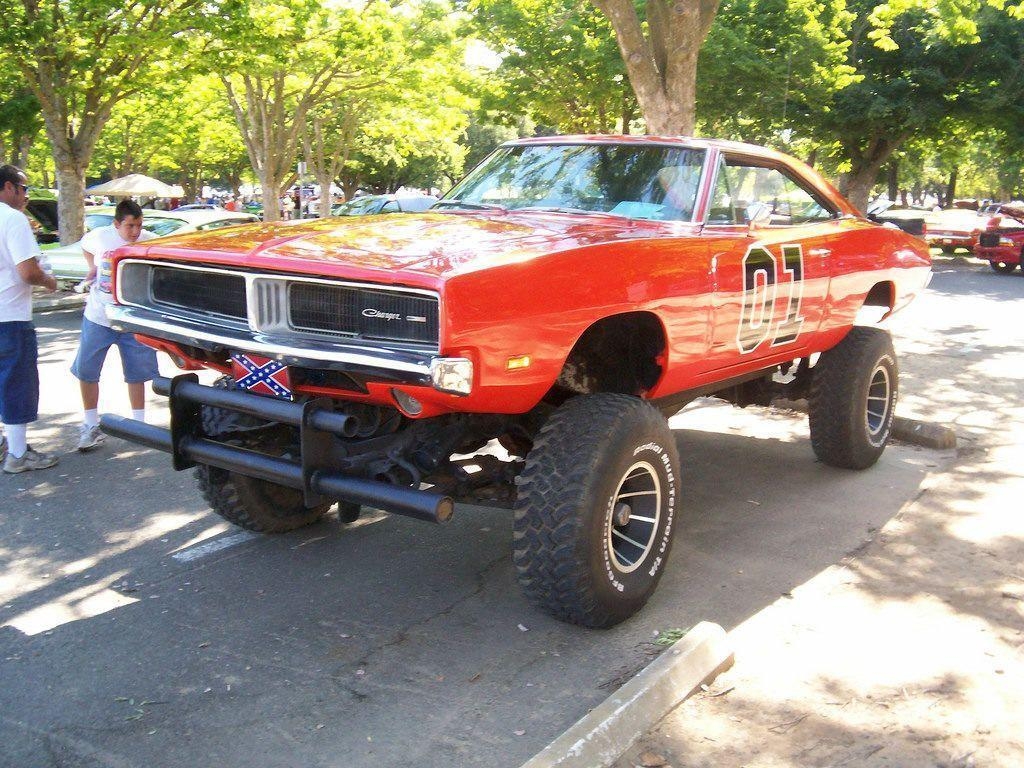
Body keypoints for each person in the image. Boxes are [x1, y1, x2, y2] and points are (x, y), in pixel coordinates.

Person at [71, 199, 159, 451]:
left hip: (132, 318)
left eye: (139, 226)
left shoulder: (148, 240)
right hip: (99, 316)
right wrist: (92, 268)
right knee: (87, 370)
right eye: (130, 226)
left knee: (137, 372)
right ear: (116, 224)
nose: (135, 232)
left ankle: (139, 424)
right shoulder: (100, 237)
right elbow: (85, 247)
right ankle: (90, 424)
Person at [0, 164, 59, 473]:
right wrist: (50, 281)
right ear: (9, 187)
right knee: (16, 383)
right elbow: (28, 272)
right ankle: (18, 454)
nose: (25, 196)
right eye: (23, 189)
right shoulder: (12, 219)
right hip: (9, 316)